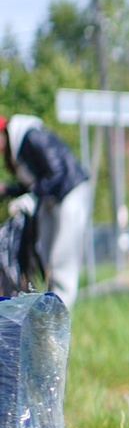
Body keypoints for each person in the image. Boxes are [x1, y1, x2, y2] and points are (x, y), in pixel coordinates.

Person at [0, 115, 93, 308]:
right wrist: (9, 190)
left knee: (62, 259)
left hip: (69, 195)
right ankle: (49, 313)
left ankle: (59, 316)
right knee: (46, 257)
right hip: (51, 201)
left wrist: (31, 196)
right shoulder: (18, 147)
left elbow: (57, 172)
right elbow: (37, 182)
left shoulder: (31, 137)